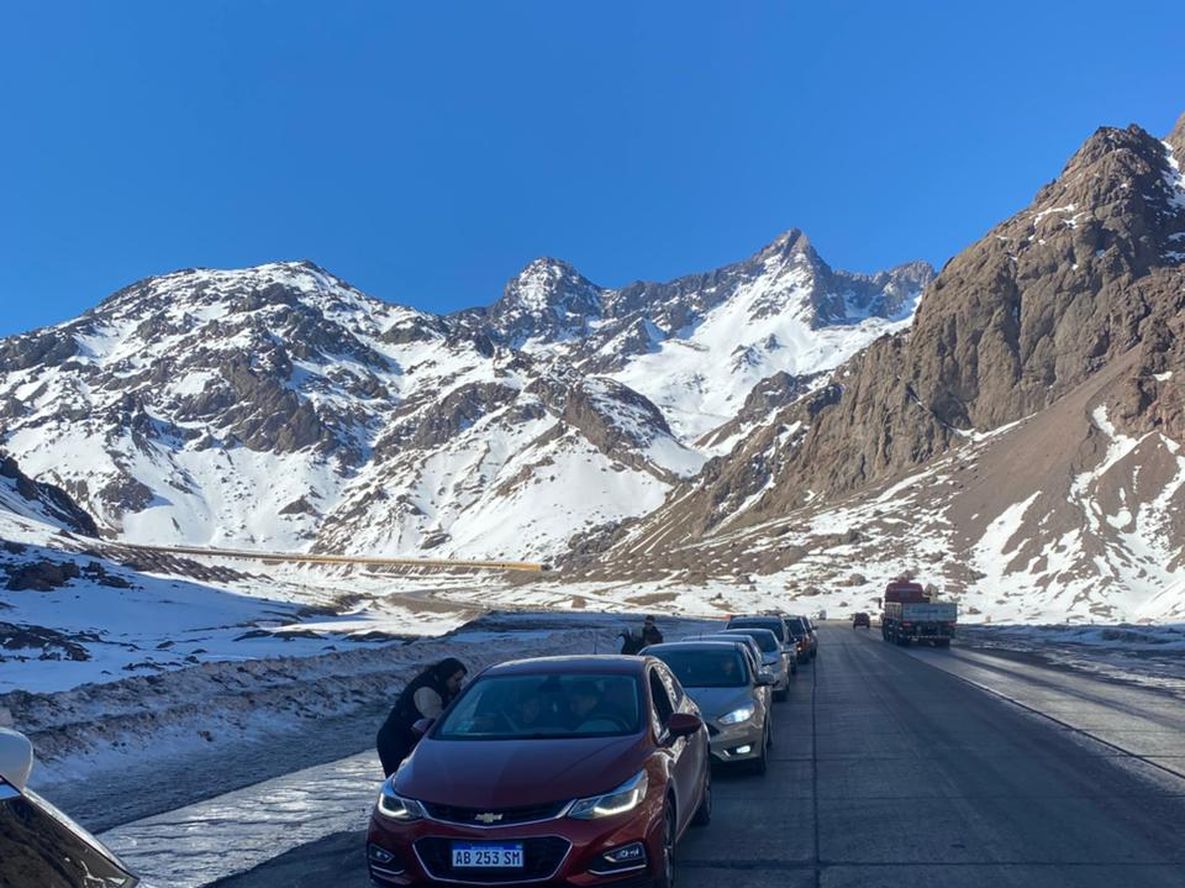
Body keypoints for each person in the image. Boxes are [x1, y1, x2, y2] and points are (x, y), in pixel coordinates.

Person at [376, 657, 467, 776]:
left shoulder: (447, 686)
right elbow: (440, 719)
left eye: (461, 680)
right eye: (457, 680)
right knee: (400, 780)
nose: (459, 683)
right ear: (446, 676)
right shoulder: (427, 690)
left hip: (413, 740)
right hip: (395, 741)